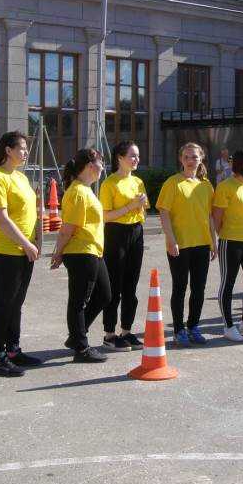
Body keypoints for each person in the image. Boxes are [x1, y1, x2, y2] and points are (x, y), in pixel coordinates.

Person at [0, 131, 42, 377]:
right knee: (4, 304)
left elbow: (30, 211)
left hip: (24, 250)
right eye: (22, 148)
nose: (26, 152)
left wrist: (35, 239)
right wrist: (26, 244)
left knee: (16, 304)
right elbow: (2, 219)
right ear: (8, 150)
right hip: (5, 251)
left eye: (26, 148)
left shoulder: (21, 177)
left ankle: (13, 350)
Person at [51, 148, 111, 363]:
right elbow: (68, 228)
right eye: (101, 163)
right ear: (90, 165)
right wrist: (58, 252)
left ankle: (77, 335)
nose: (103, 167)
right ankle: (81, 348)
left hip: (93, 251)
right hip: (81, 252)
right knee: (79, 301)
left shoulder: (86, 190)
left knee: (104, 295)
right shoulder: (77, 192)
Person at [157, 142, 216, 347]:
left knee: (199, 288)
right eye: (187, 157)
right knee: (180, 287)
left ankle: (193, 326)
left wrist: (213, 242)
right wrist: (170, 239)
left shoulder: (206, 186)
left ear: (201, 159)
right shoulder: (173, 183)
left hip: (202, 244)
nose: (191, 161)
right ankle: (178, 329)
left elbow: (209, 216)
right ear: (181, 159)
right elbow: (164, 212)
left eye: (195, 157)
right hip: (179, 244)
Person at [99, 140, 149, 351]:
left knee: (131, 285)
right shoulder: (109, 183)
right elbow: (105, 216)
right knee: (115, 285)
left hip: (136, 231)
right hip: (116, 233)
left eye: (138, 155)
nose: (137, 159)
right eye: (132, 155)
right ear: (120, 158)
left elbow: (143, 208)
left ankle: (127, 331)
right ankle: (109, 334)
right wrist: (131, 206)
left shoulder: (137, 181)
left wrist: (140, 205)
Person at [213, 147, 243, 341]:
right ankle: (228, 326)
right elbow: (217, 218)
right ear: (242, 165)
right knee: (228, 283)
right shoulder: (225, 187)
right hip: (231, 242)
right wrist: (221, 237)